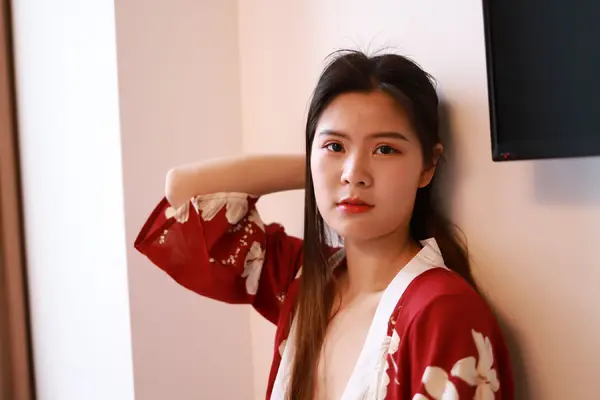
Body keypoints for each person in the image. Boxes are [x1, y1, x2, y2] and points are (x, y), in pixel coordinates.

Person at [134, 50, 514, 400]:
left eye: (385, 149)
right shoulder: (304, 281)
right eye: (335, 147)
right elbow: (183, 195)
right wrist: (318, 168)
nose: (354, 173)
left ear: (428, 166)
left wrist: (331, 157)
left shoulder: (443, 313)